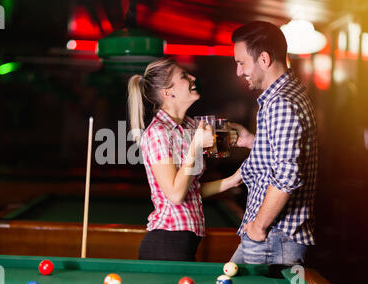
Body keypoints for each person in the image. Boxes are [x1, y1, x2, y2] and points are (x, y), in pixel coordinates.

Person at [127, 57, 242, 261]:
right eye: (183, 76)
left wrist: (232, 180)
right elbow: (175, 194)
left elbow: (193, 191)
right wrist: (196, 146)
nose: (192, 77)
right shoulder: (157, 133)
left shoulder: (189, 126)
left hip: (185, 241)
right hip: (166, 242)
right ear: (168, 93)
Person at [228, 21, 318, 266]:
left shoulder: (280, 103)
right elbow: (287, 152)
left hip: (273, 237)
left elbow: (288, 174)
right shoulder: (293, 92)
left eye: (241, 62)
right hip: (274, 237)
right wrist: (250, 141)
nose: (239, 71)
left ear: (264, 59)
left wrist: (258, 226)